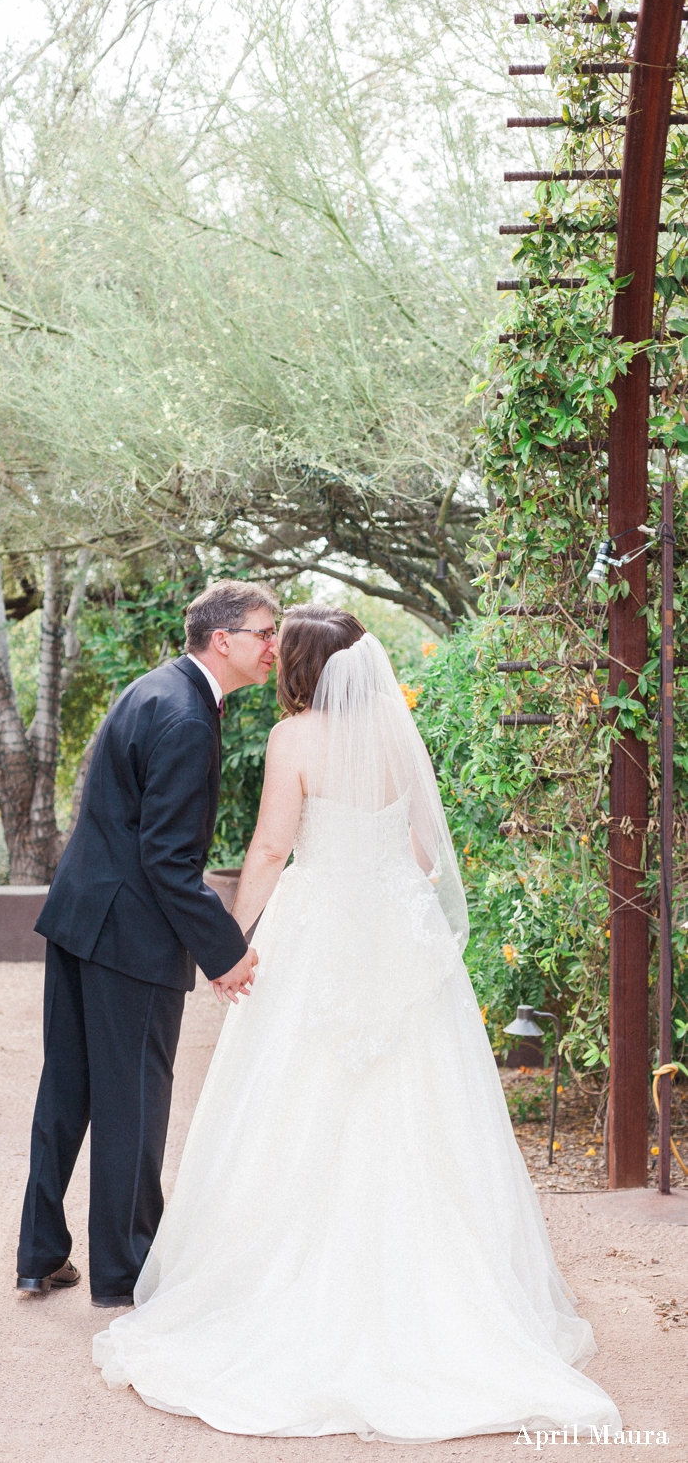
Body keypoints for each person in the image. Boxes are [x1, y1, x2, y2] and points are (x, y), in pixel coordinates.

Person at [93, 604, 622, 1442]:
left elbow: (269, 850)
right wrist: (390, 904)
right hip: (395, 933)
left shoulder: (293, 740)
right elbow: (423, 851)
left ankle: (279, 1288)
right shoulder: (392, 733)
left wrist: (232, 943)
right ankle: (449, 1297)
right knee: (423, 1104)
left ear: (301, 666)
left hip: (318, 932)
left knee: (291, 1100)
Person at [15, 580, 279, 1308]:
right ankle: (123, 1273)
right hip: (128, 936)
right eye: (264, 631)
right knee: (132, 1101)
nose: (274, 646)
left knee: (65, 1090)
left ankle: (40, 1255)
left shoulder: (152, 690)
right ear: (221, 640)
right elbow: (169, 861)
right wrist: (225, 951)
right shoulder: (188, 718)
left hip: (78, 917)